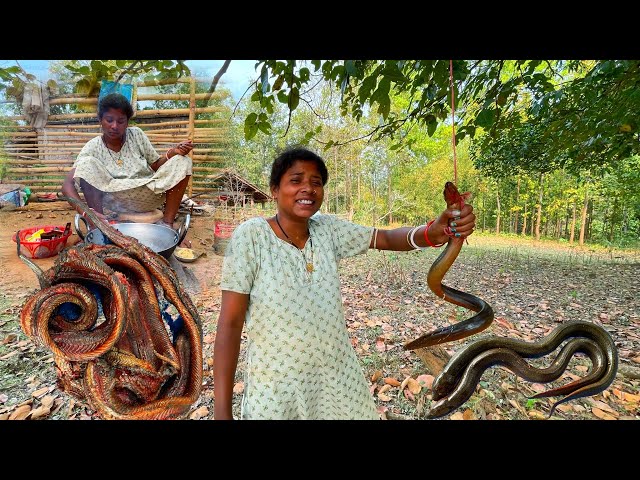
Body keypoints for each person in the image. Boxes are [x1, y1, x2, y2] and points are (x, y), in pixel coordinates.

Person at [213, 146, 476, 420]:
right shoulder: (251, 237)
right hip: (277, 387)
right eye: (296, 180)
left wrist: (433, 232)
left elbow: (383, 238)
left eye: (316, 182)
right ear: (274, 190)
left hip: (336, 377)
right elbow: (229, 324)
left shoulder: (327, 230)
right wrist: (222, 412)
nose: (308, 188)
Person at [61, 92, 193, 229]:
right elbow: (67, 186)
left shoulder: (136, 135)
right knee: (86, 164)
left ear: (127, 122)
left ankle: (167, 224)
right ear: (100, 120)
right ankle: (99, 226)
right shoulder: (92, 147)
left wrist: (172, 153)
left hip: (148, 196)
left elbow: (155, 165)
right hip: (114, 200)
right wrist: (86, 213)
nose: (114, 126)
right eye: (109, 120)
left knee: (182, 161)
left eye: (121, 121)